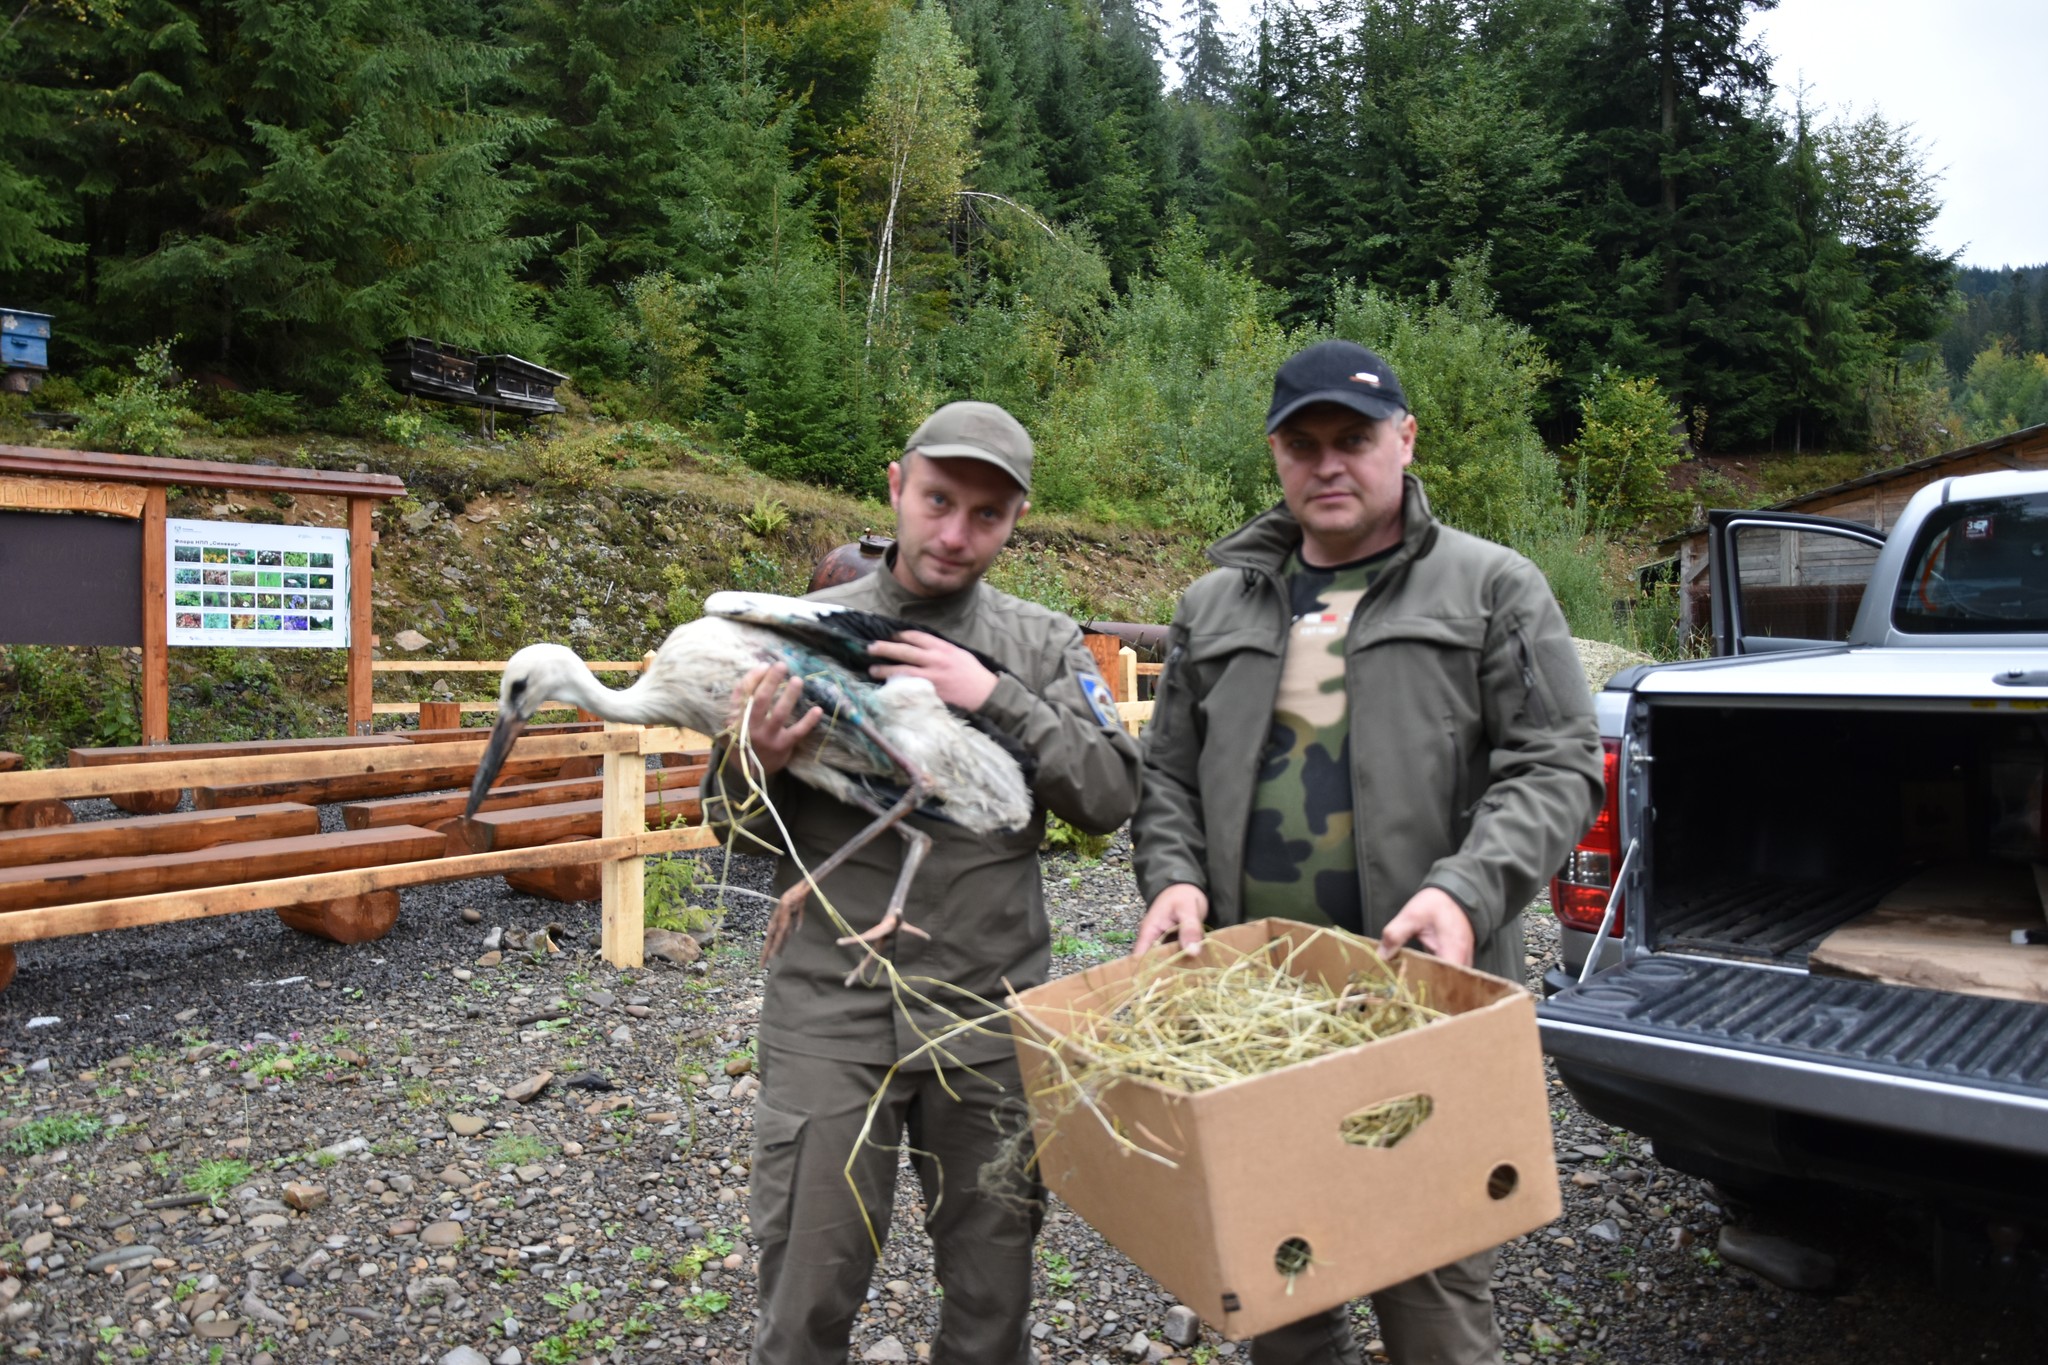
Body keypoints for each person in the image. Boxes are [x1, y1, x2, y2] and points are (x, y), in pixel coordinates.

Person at [1130, 340, 1604, 1365]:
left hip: (1417, 1003)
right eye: (1301, 444)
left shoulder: (1490, 587)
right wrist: (1170, 876)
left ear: (1404, 439)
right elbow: (1163, 774)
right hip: (1251, 1014)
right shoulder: (1215, 605)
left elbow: (1560, 762)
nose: (1327, 463)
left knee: (1430, 1291)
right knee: (1277, 1277)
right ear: (1274, 455)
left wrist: (1467, 892)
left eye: (1352, 438)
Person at [702, 400, 1143, 1365]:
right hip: (830, 1008)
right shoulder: (806, 633)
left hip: (987, 1011)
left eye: (985, 515)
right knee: (805, 1297)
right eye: (938, 500)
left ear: (1015, 521)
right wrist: (757, 759)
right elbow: (727, 828)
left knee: (991, 1301)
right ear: (898, 488)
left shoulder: (1041, 644)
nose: (954, 534)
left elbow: (1111, 796)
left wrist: (997, 697)